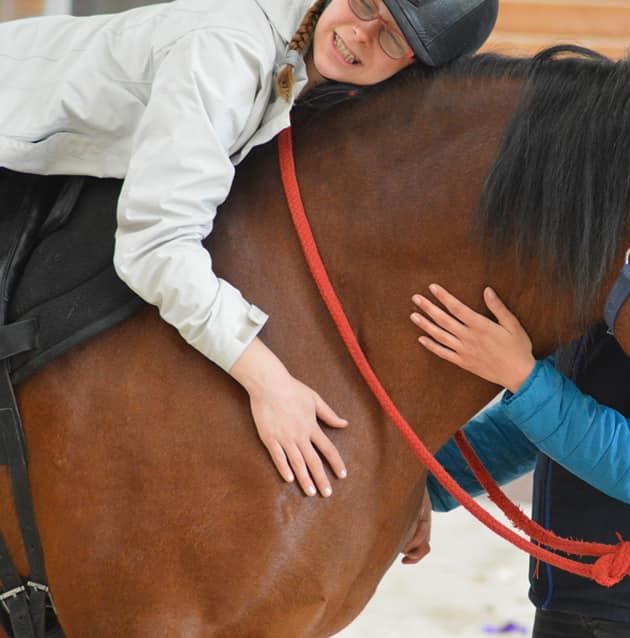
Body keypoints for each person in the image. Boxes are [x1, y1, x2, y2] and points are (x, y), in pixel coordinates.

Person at [0, 0, 498, 497]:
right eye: (365, 3)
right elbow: (155, 244)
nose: (363, 34)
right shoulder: (228, 52)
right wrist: (269, 383)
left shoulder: (318, 69)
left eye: (393, 38)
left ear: (409, 65)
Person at [405, 284, 630, 637]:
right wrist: (417, 484)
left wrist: (520, 375)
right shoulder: (604, 288)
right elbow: (536, 423)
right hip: (567, 595)